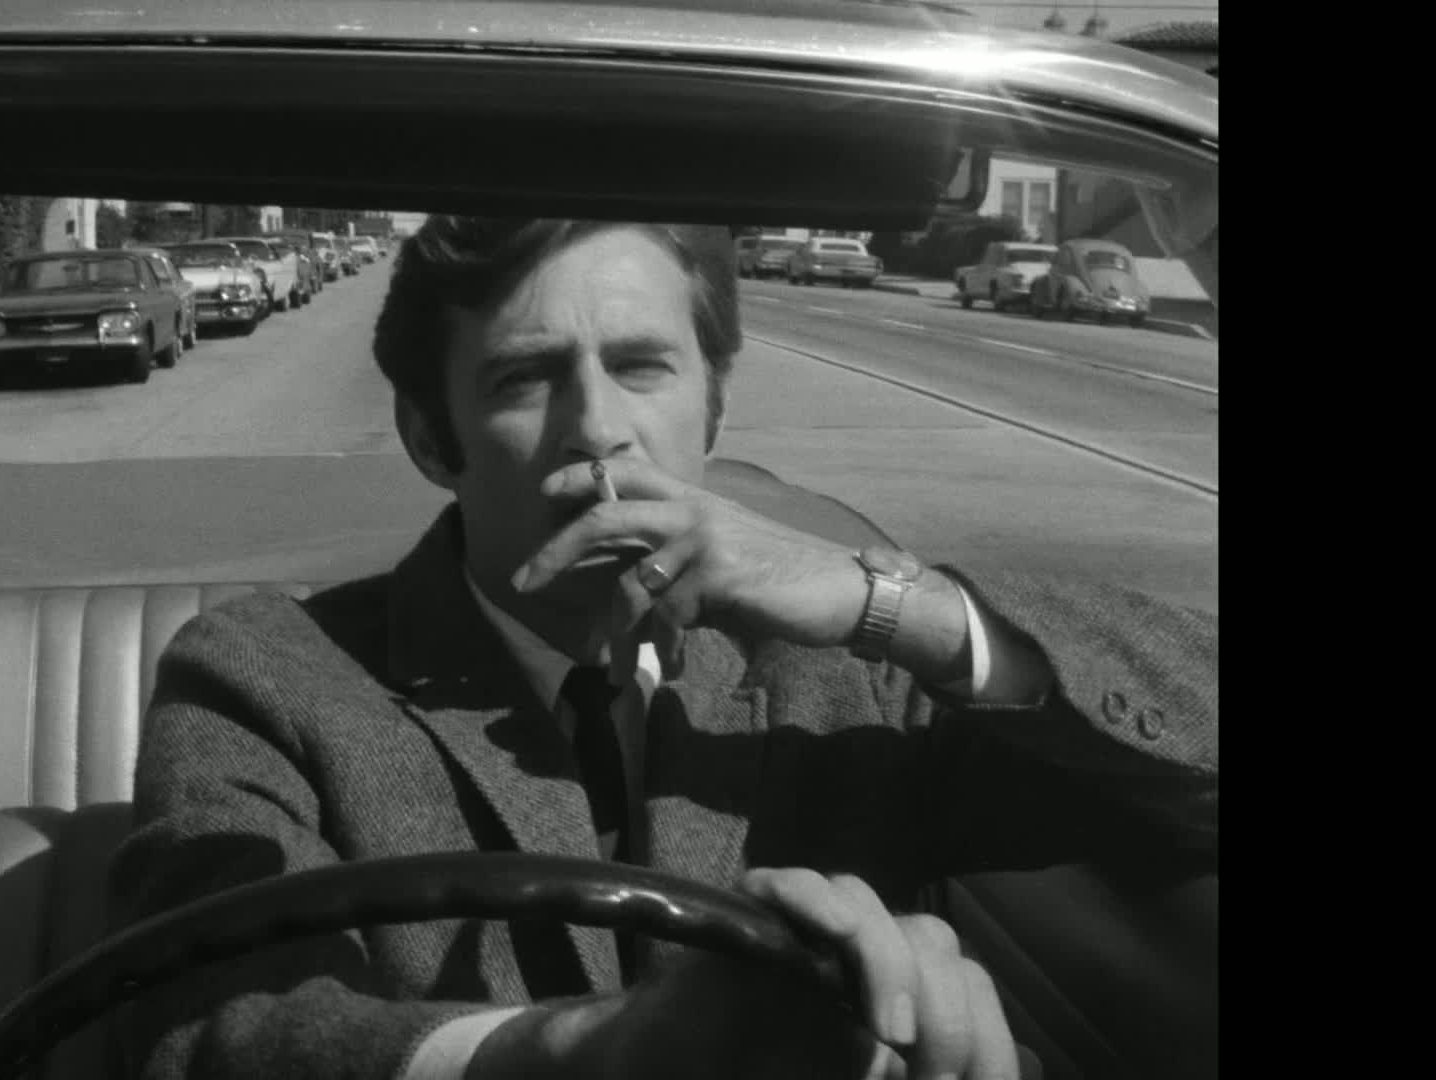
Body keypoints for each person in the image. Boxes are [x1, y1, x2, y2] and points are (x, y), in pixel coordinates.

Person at [109, 217, 1217, 1080]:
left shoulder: (853, 674)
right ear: (429, 438)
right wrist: (583, 1054)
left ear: (714, 413)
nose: (597, 430)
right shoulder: (264, 674)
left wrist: (889, 600)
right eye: (524, 377)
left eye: (641, 367)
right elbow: (208, 1032)